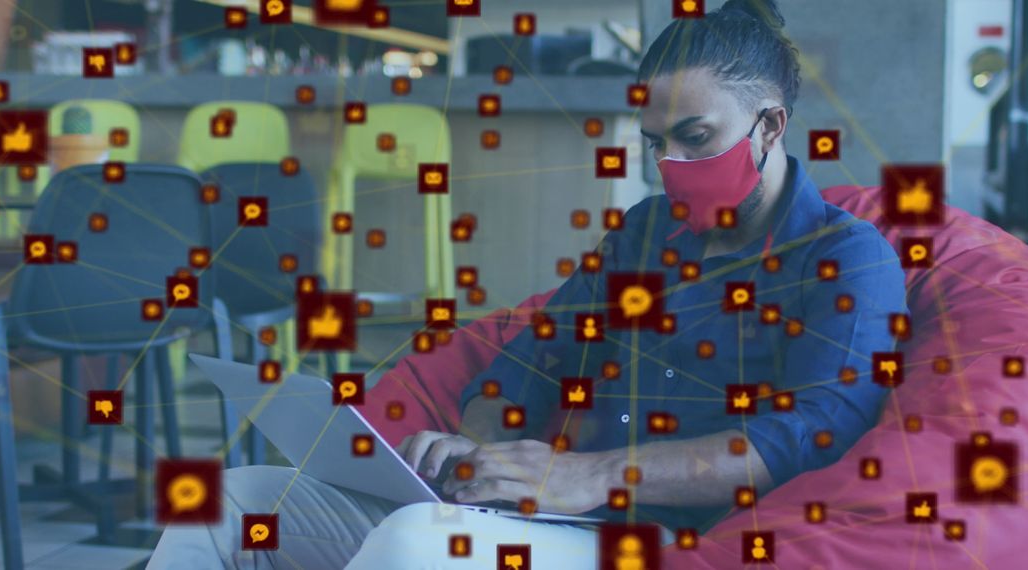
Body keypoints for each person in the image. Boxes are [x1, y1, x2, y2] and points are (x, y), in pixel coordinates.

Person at [148, 0, 909, 567]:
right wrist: (470, 452)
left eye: (695, 139)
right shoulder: (644, 235)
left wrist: (584, 475)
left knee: (418, 544)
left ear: (770, 127)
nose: (667, 165)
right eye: (653, 144)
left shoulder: (848, 260)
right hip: (555, 520)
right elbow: (529, 361)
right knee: (222, 498)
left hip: (660, 539)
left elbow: (803, 438)